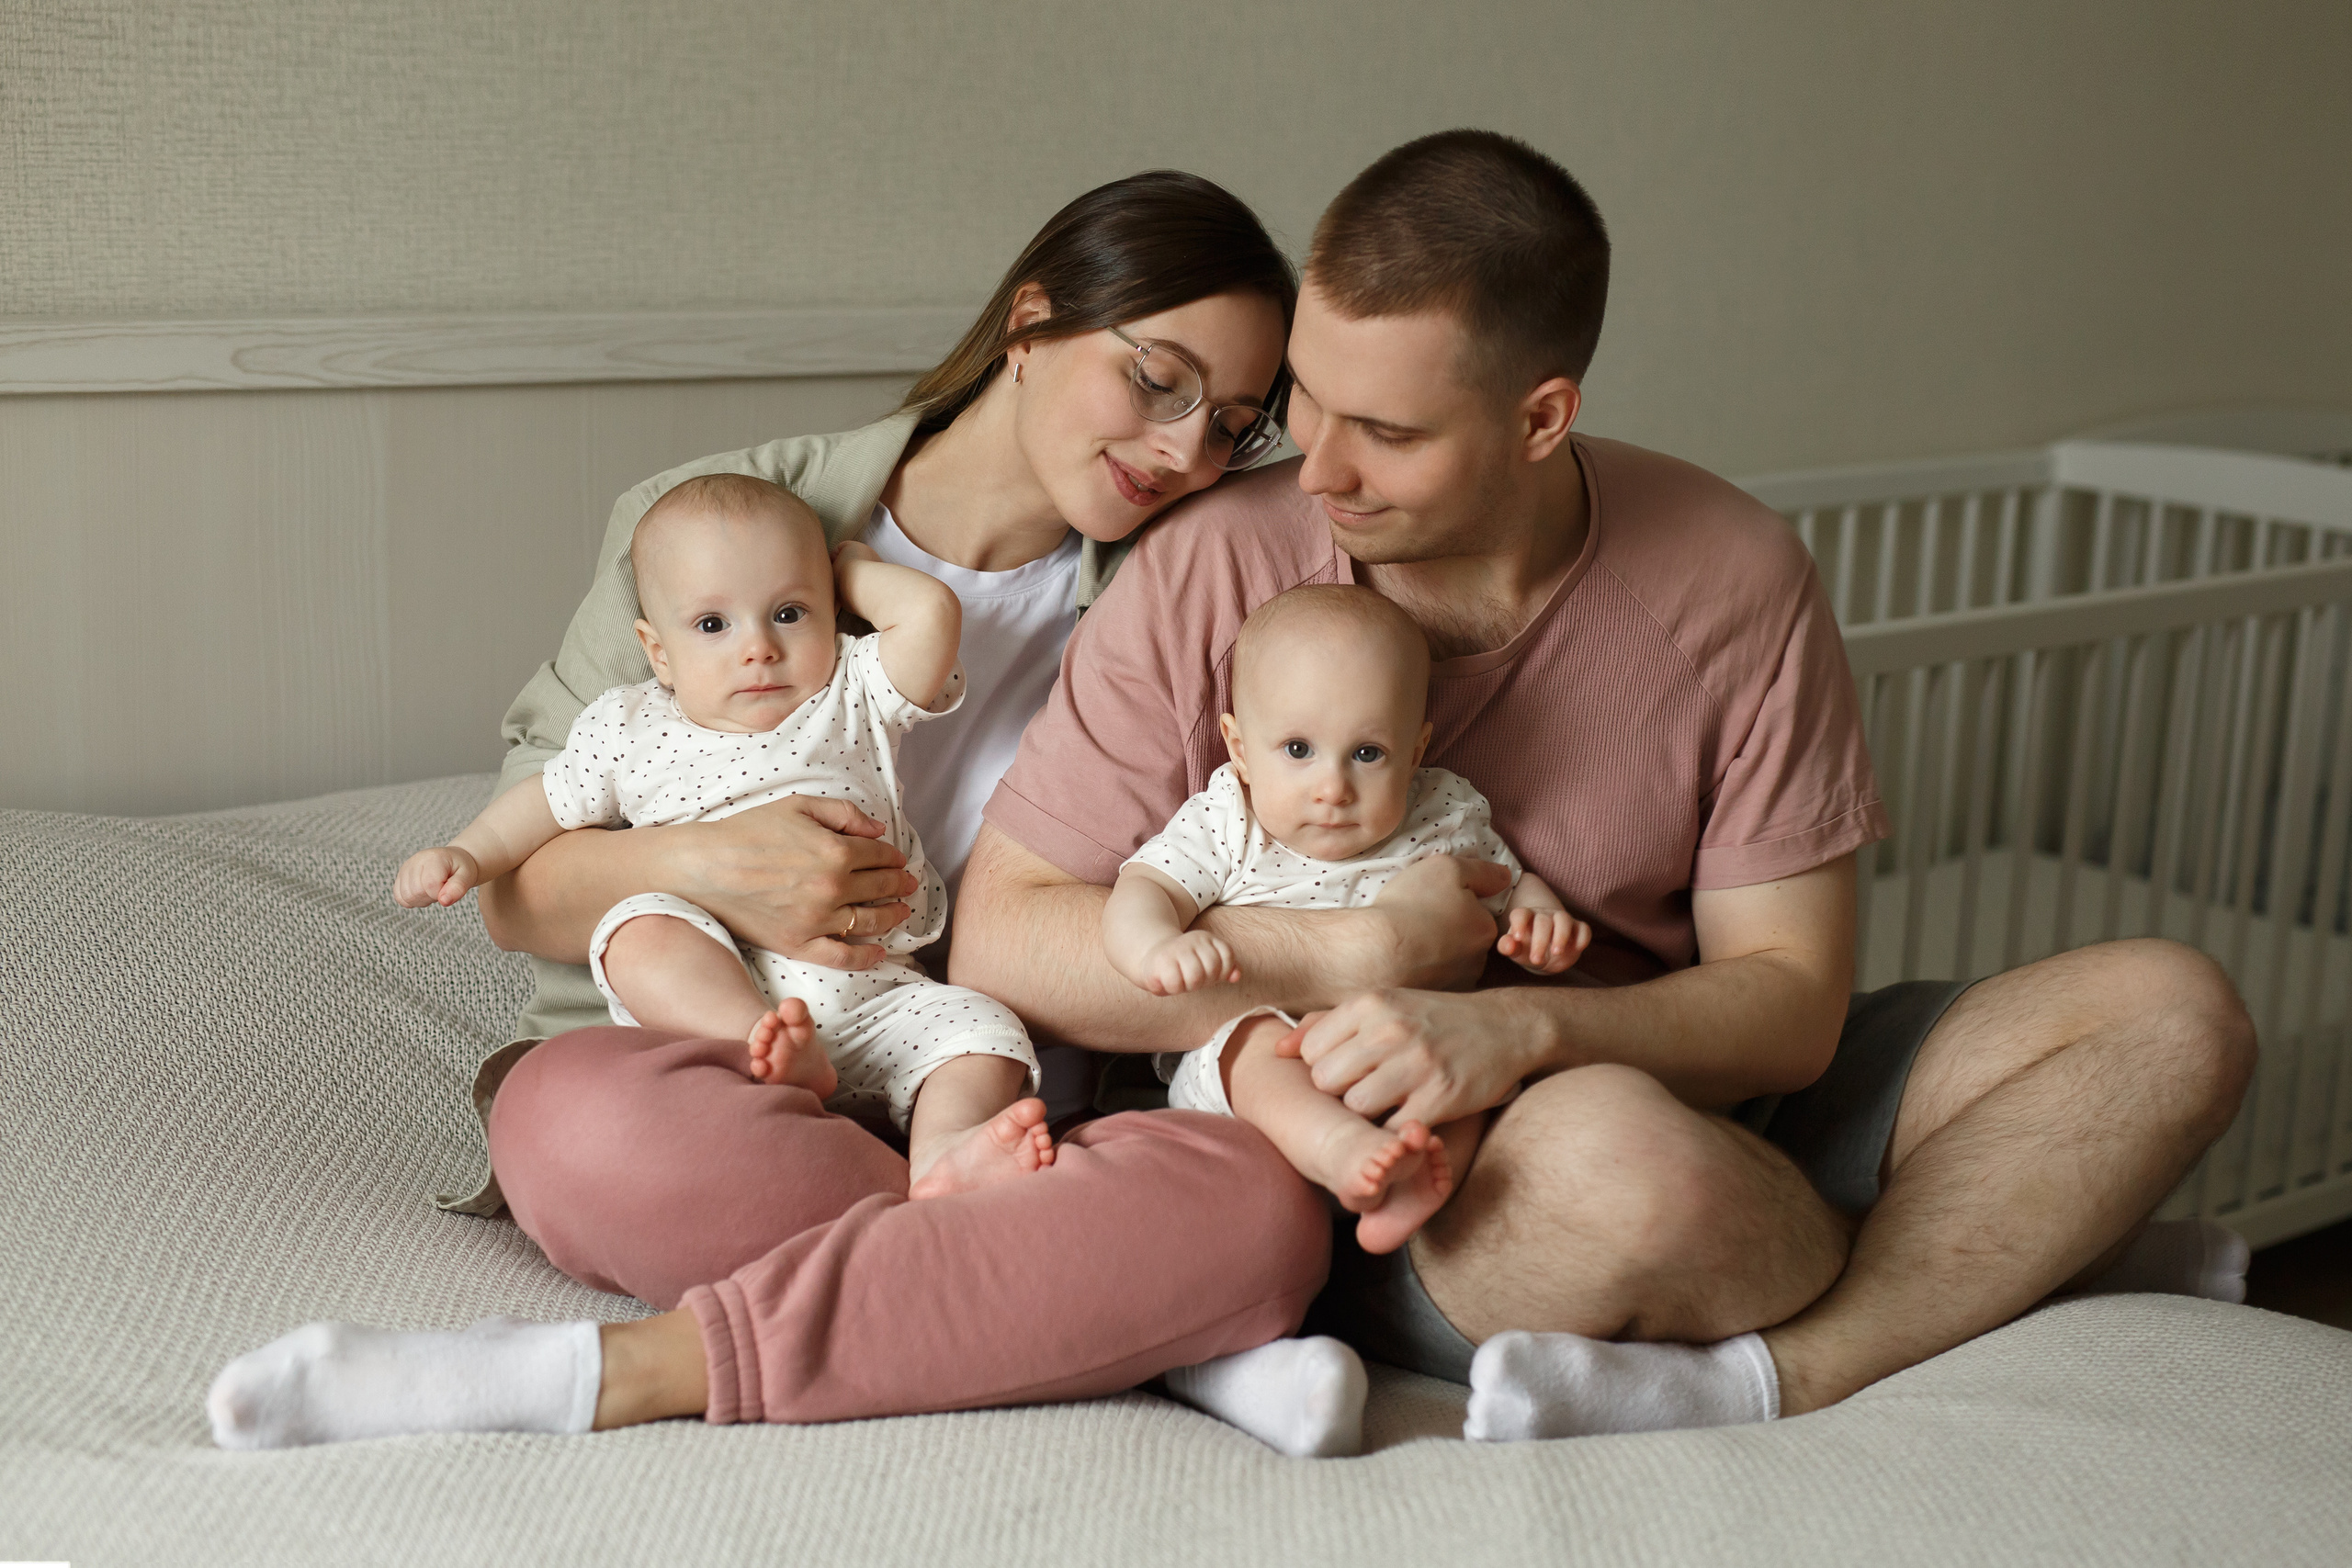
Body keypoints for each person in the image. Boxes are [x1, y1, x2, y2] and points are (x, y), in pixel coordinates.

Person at [953, 129, 2258, 1441]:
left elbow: (1793, 1006)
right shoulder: (1212, 564)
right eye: (1305, 394)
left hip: (1679, 1066)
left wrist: (1527, 1028)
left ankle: (1804, 1365)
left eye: (1388, 430)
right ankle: (1984, 1248)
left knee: (2175, 1011)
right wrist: (1357, 952)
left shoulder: (1734, 570)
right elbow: (1005, 935)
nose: (1319, 463)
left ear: (1542, 417)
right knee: (1634, 1169)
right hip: (1398, 1152)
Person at [210, 169, 1371, 1460]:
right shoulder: (717, 519)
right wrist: (716, 863)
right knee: (572, 1122)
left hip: (990, 1092)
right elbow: (516, 891)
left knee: (1264, 1205)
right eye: (1158, 378)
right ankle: (1119, 1320)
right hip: (720, 1078)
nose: (1184, 450)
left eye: (1232, 424)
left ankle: (620, 1364)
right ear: (1033, 325)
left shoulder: (1190, 591)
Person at [391, 474, 1052, 1194]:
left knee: (985, 1029)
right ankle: (755, 1048)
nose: (759, 648)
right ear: (659, 650)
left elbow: (929, 615)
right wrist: (468, 852)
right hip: (712, 990)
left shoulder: (850, 693)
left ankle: (943, 1157)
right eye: (713, 625)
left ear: (834, 616)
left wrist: (851, 569)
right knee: (637, 925)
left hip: (874, 997)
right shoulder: (629, 725)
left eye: (790, 612)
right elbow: (545, 802)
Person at [1104, 583, 1589, 1254]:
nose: (1332, 787)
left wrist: (1539, 917)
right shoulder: (1228, 820)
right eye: (1297, 749)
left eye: (1367, 754)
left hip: (1409, 1043)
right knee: (1252, 1044)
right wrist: (1155, 946)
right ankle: (1344, 1152)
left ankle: (1417, 1177)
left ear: (1416, 751)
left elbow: (1508, 884)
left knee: (1478, 1068)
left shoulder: (1441, 813)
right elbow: (1142, 887)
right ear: (1240, 748)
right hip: (1274, 1052)